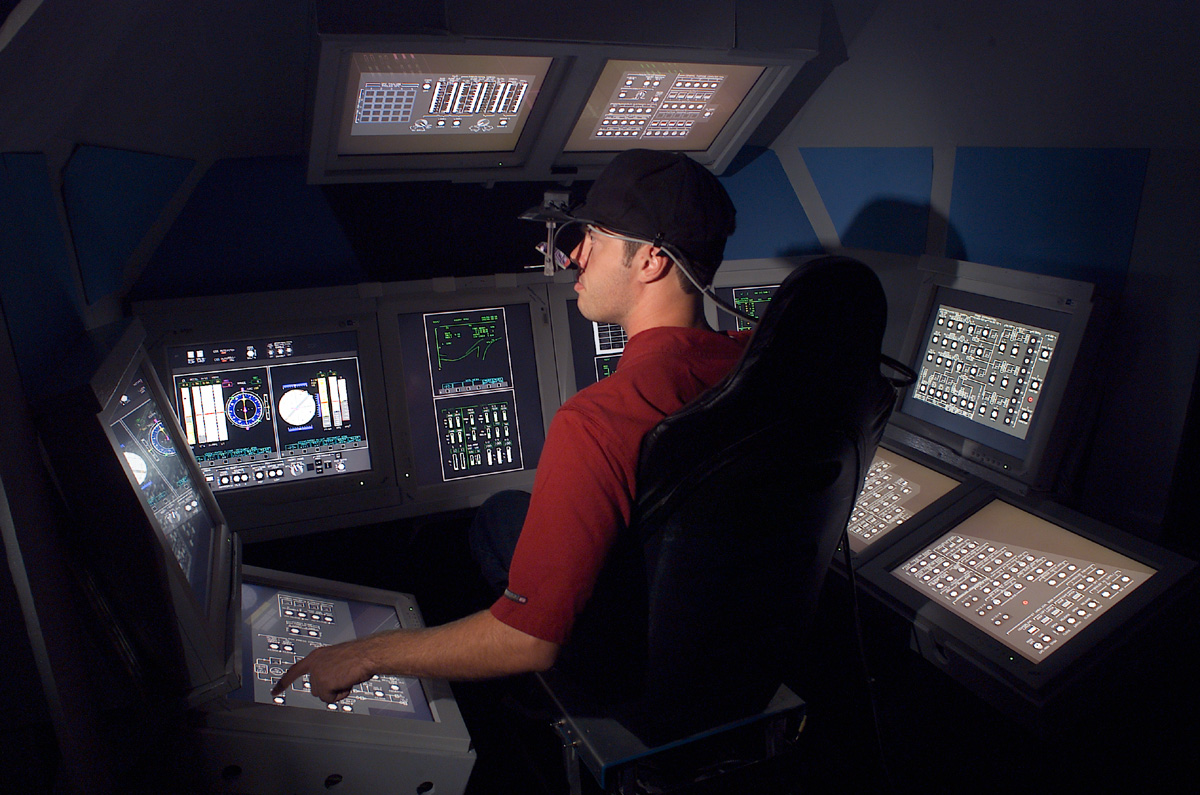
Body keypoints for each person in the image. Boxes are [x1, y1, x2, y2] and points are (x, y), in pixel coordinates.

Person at [272, 149, 747, 704]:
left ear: (650, 262)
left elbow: (527, 640)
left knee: (493, 521)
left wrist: (365, 653)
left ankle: (532, 717)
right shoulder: (752, 364)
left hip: (637, 675)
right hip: (729, 631)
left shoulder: (598, 422)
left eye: (593, 237)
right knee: (505, 511)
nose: (573, 257)